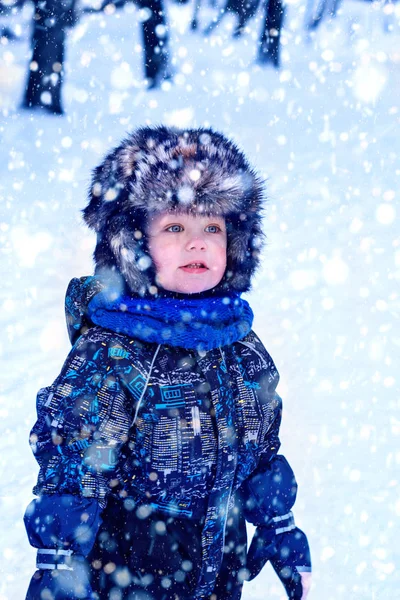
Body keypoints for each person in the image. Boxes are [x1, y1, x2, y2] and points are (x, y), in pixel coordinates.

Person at [24, 125, 312, 600]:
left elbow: (261, 451)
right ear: (133, 243)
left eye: (212, 228)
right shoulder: (111, 354)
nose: (196, 243)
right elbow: (73, 466)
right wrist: (61, 567)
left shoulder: (239, 343)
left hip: (220, 574)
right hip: (129, 575)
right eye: (175, 227)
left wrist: (278, 526)